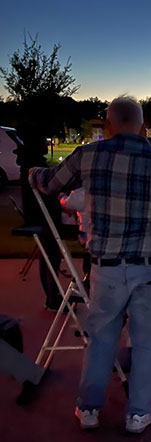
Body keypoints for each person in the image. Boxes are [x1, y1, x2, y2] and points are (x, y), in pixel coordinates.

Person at [30, 97, 151, 434]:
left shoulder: (88, 156)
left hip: (105, 269)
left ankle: (89, 409)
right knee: (148, 342)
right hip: (150, 271)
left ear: (108, 126)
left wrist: (33, 172)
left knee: (101, 339)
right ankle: (138, 414)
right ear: (140, 127)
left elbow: (49, 183)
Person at [16, 126, 63, 311]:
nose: (47, 144)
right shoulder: (35, 165)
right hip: (43, 217)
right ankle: (53, 298)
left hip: (38, 216)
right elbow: (49, 188)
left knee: (49, 255)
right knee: (51, 256)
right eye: (44, 141)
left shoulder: (29, 162)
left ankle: (52, 295)